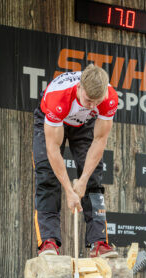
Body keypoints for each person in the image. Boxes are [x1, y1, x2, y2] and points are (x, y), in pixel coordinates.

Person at [33, 64, 119, 258]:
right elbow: (53, 149)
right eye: (88, 100)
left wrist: (82, 181)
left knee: (94, 179)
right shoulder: (58, 97)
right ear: (79, 88)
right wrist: (69, 190)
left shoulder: (109, 98)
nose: (92, 106)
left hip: (84, 124)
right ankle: (48, 242)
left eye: (97, 102)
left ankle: (98, 243)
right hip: (52, 121)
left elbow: (99, 140)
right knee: (46, 176)